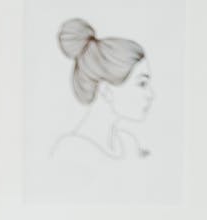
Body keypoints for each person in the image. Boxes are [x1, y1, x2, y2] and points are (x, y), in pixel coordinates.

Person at [51, 19, 155, 161]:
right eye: (142, 84)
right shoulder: (71, 152)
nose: (151, 95)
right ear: (106, 90)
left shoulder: (128, 144)